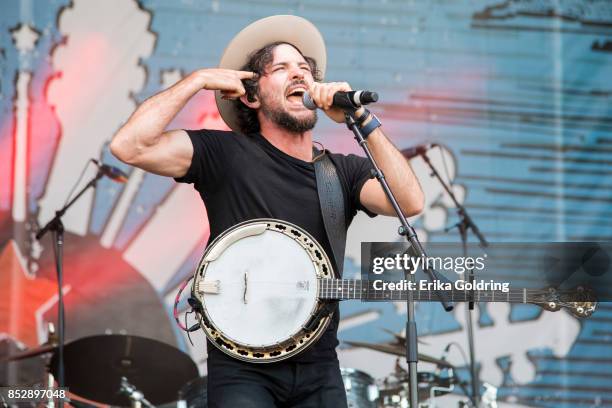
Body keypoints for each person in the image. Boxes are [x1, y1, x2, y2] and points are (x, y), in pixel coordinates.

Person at [110, 15, 424, 408]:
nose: (299, 75)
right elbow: (129, 146)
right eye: (281, 68)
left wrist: (360, 117)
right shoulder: (223, 153)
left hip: (320, 366)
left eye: (305, 70)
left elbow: (410, 201)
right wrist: (198, 81)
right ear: (251, 96)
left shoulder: (341, 171)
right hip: (242, 367)